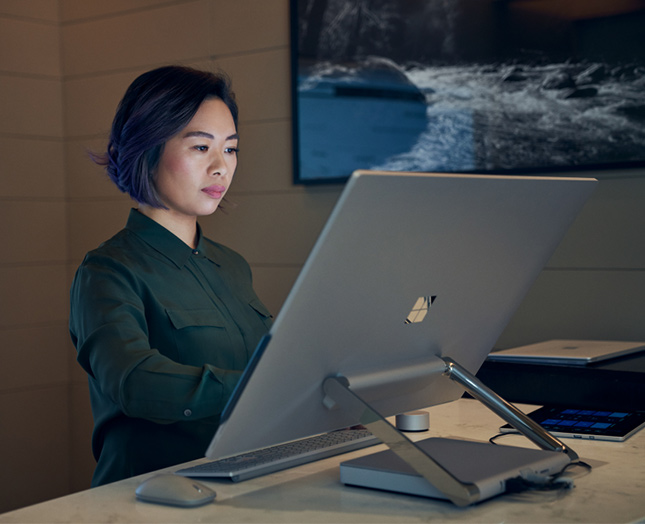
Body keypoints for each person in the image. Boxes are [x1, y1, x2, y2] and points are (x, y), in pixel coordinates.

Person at [69, 65, 273, 487]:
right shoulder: (107, 270)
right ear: (148, 148)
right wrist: (260, 389)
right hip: (148, 498)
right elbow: (134, 380)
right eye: (201, 147)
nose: (221, 167)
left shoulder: (232, 264)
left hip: (239, 488)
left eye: (231, 149)